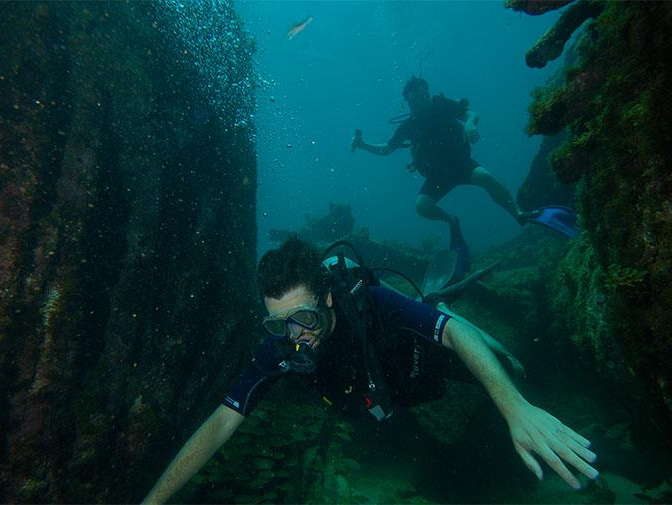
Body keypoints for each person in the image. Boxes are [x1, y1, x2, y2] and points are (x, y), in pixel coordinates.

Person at [142, 237, 598, 504]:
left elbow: (454, 338)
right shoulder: (280, 344)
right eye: (278, 323)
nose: (293, 335)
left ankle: (441, 305)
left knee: (492, 361)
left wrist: (515, 409)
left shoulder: (373, 305)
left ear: (327, 299)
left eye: (302, 318)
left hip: (424, 362)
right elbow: (222, 421)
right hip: (380, 396)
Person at [351, 76, 537, 228]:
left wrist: (470, 126)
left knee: (486, 178)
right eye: (415, 99)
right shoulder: (408, 126)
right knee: (422, 207)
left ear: (429, 94)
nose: (421, 101)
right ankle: (451, 220)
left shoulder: (442, 106)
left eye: (423, 96)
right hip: (437, 176)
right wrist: (363, 145)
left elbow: (470, 114)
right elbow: (386, 149)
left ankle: (518, 213)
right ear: (408, 102)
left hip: (461, 164)